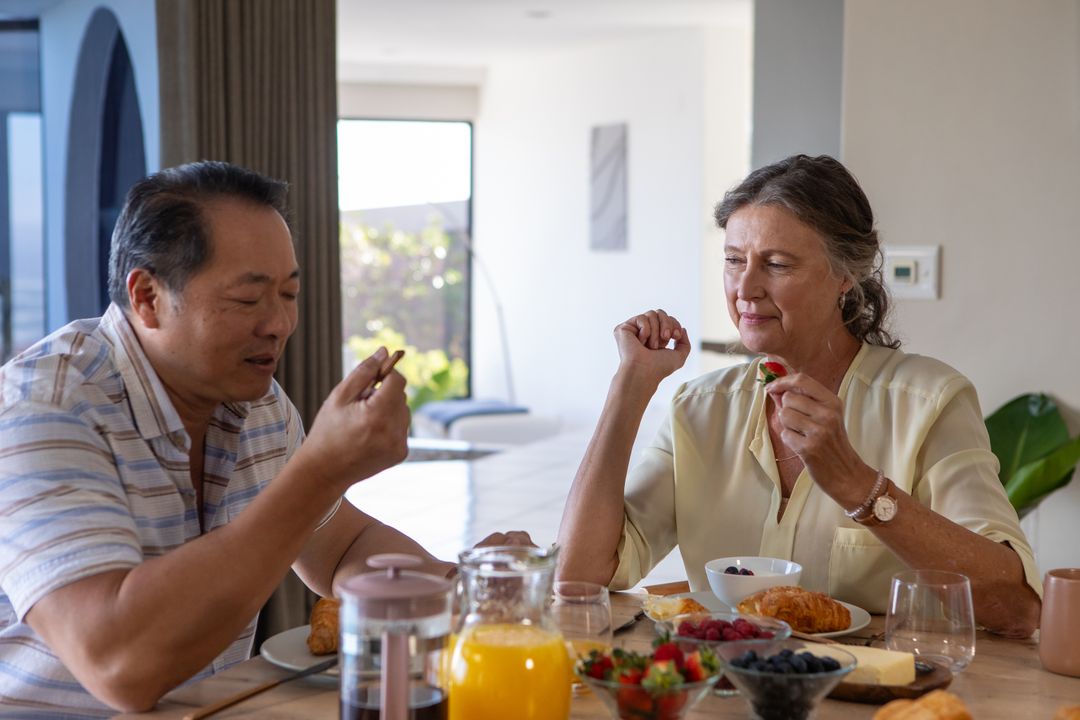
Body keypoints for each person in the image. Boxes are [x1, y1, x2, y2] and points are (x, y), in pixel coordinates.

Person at [0, 161, 531, 715]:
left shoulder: (259, 406)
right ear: (148, 297)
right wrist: (322, 468)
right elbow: (119, 664)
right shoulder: (47, 405)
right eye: (249, 299)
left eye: (289, 294)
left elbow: (341, 546)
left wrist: (468, 586)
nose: (278, 323)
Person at [557, 154, 1041, 638]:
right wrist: (630, 387)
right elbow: (579, 578)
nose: (745, 288)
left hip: (874, 699)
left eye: (777, 264)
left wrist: (857, 485)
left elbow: (1017, 608)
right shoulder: (699, 408)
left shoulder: (929, 401)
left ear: (845, 274)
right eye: (733, 260)